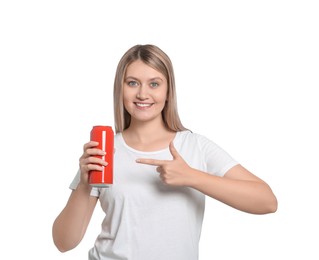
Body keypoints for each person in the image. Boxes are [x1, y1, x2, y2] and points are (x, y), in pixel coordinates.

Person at [52, 44, 278, 260]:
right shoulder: (103, 150)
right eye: (132, 83)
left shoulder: (195, 146)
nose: (142, 94)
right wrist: (84, 185)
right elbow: (64, 242)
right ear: (120, 89)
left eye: (154, 84)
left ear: (168, 91)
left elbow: (267, 201)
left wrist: (192, 177)